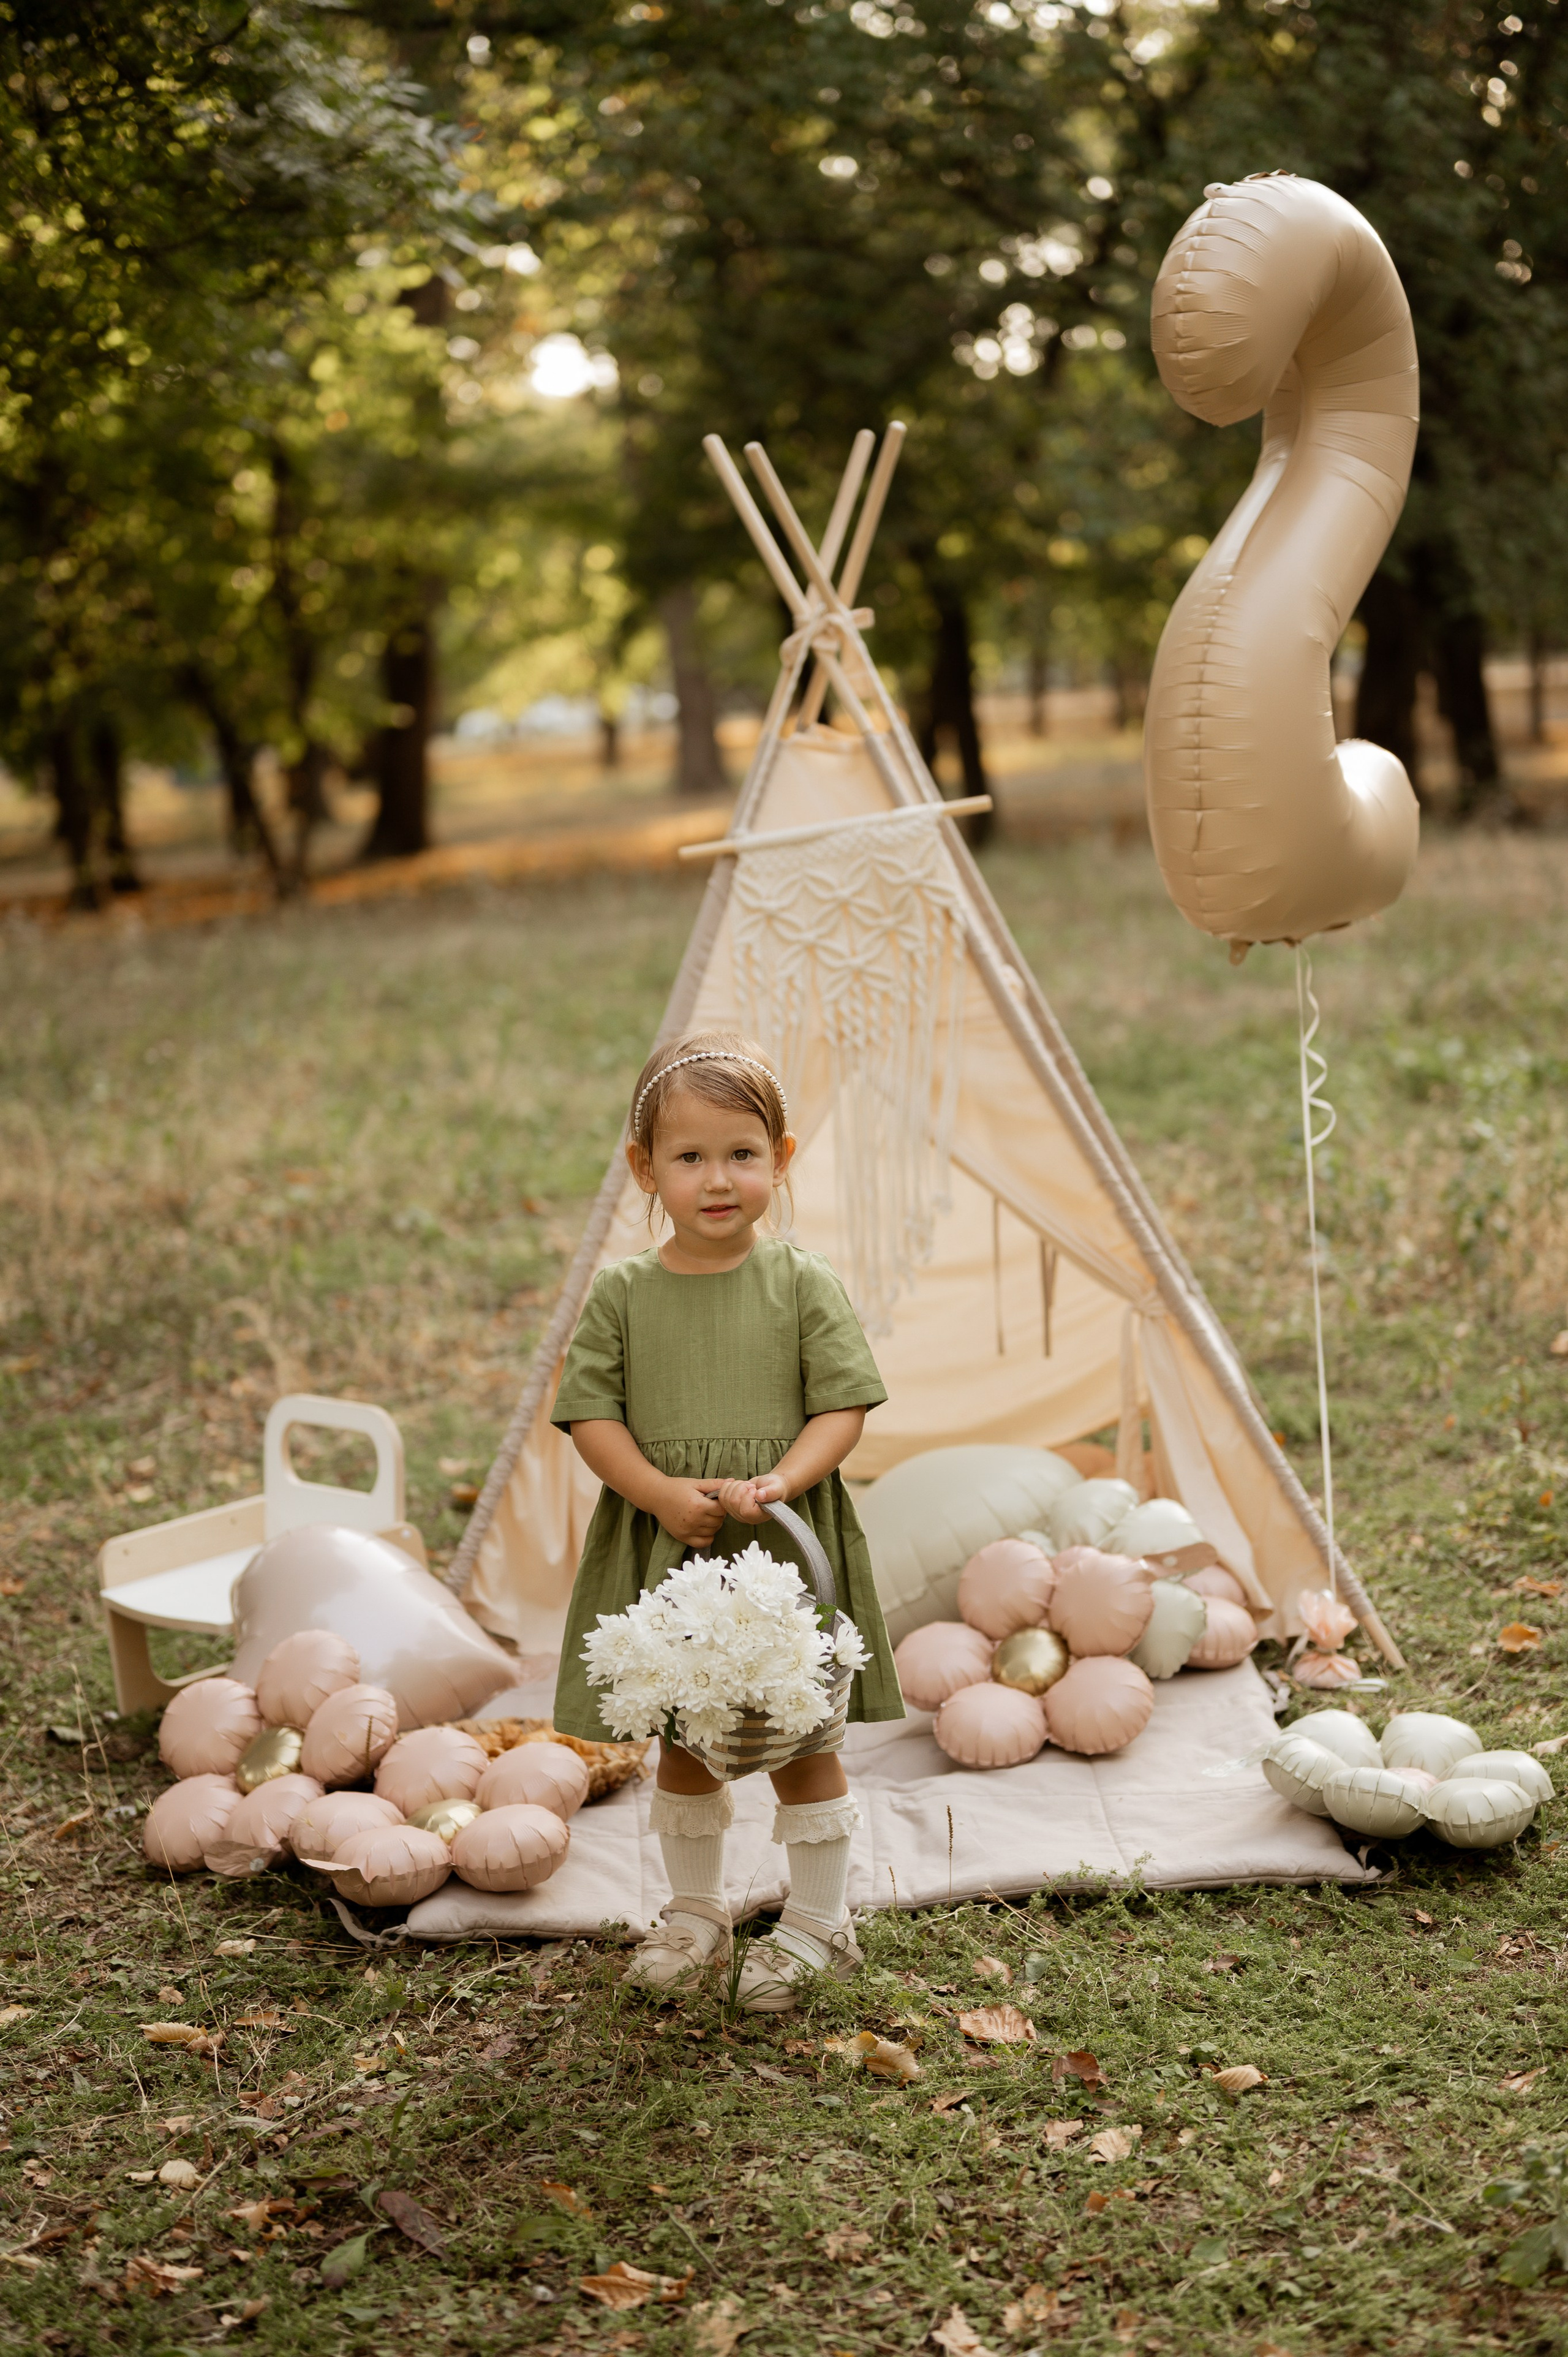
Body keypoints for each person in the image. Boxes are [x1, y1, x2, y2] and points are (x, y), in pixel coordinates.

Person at [551, 1028, 903, 2010]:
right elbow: (590, 1414)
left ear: (780, 1163)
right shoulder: (623, 1294)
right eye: (690, 1157)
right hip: (671, 1547)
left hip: (783, 1553)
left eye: (743, 1155)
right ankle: (698, 1910)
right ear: (644, 1170)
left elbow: (844, 1404)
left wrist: (784, 1480)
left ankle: (822, 1920)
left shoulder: (801, 1283)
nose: (718, 1178)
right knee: (686, 1740)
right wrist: (661, 1493)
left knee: (805, 1741)